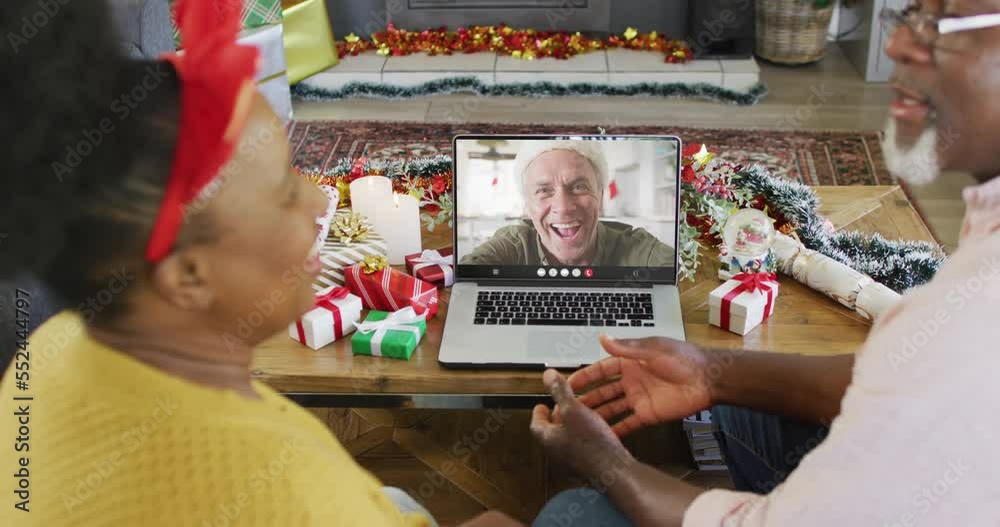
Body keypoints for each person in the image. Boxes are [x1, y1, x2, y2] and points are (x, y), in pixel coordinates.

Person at [0, 2, 524, 525]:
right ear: (188, 275)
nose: (320, 203)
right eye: (284, 192)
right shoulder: (296, 495)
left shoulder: (44, 351)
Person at [529, 1, 1000, 525]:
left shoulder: (979, 319)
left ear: (602, 194)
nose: (895, 46)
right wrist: (711, 374)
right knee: (733, 389)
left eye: (939, 24)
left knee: (568, 513)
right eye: (908, 14)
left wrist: (605, 464)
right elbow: (901, 368)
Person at [459, 141, 675, 267]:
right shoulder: (513, 246)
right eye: (543, 190)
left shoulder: (638, 250)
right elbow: (467, 275)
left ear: (600, 196)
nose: (562, 207)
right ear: (527, 205)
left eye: (579, 187)